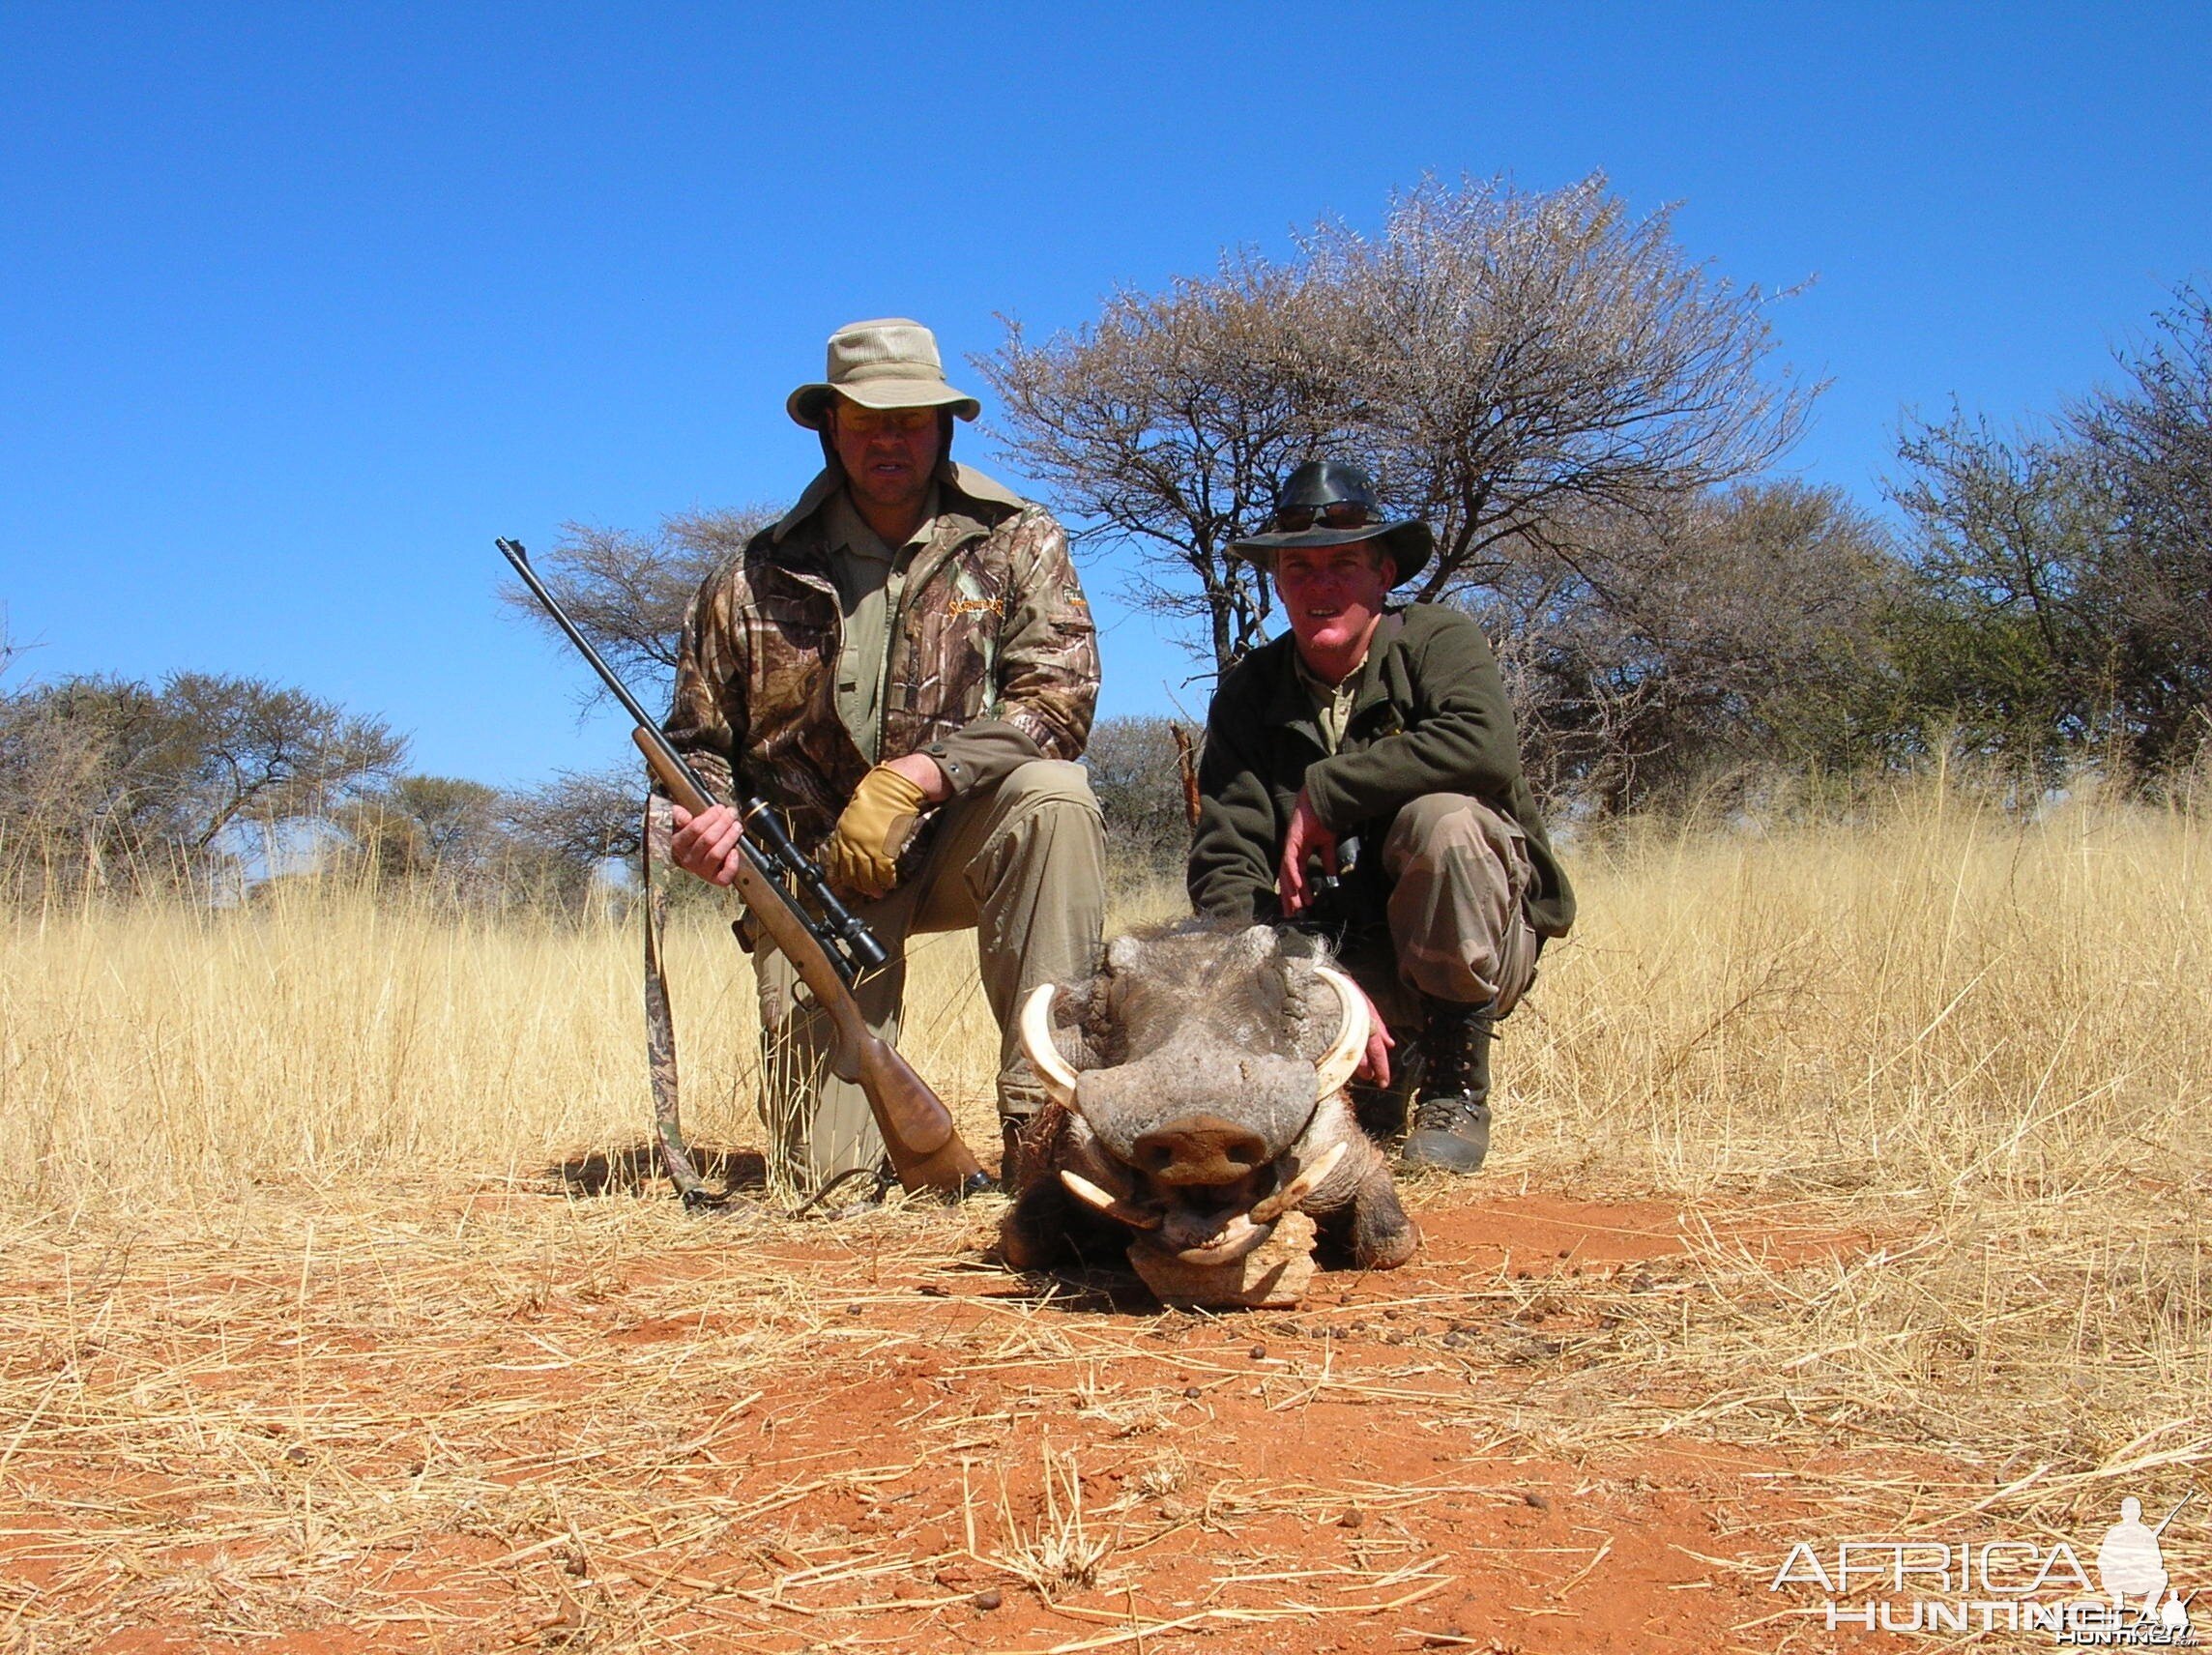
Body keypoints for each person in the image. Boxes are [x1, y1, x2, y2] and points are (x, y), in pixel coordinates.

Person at [661, 318, 1105, 1195]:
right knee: (833, 1185)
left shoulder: (1019, 539)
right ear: (831, 427)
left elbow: (1058, 701)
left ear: (945, 426)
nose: (889, 438)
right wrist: (697, 827)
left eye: (910, 418)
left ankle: (1046, 1126)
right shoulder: (746, 578)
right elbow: (694, 747)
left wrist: (919, 777)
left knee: (1055, 796)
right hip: (817, 874)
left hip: (955, 839)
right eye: (867, 419)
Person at [1187, 459, 1574, 1173]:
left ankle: (1456, 1085)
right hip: (1331, 961)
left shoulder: (1439, 640)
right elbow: (1225, 863)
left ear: (1384, 575)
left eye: (1343, 565)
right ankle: (1376, 1068)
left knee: (1447, 823)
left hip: (1474, 941)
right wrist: (1315, 978)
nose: (1319, 586)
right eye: (1298, 568)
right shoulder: (1248, 691)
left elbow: (1484, 748)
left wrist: (1325, 793)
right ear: (1277, 582)